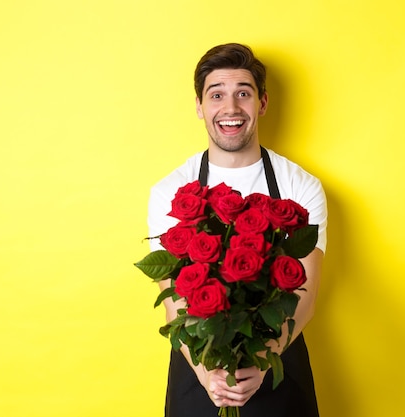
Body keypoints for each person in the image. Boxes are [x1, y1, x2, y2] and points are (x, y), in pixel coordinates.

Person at [147, 43, 327, 417]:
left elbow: (305, 293)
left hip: (278, 369)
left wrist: (262, 361)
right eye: (217, 95)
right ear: (199, 106)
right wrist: (208, 374)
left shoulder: (300, 186)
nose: (230, 108)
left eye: (243, 93)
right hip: (198, 371)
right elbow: (172, 300)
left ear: (261, 103)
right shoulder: (168, 190)